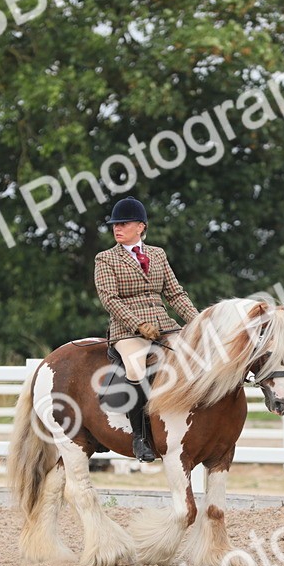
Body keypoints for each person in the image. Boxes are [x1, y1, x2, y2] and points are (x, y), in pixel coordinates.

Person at [94, 197, 199, 461]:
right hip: (127, 331)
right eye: (114, 224)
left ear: (141, 227)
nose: (117, 228)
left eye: (124, 223)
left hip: (164, 326)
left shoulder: (158, 254)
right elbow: (110, 299)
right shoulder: (105, 259)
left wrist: (198, 321)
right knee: (136, 367)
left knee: (194, 357)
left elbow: (174, 294)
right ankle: (140, 437)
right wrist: (137, 325)